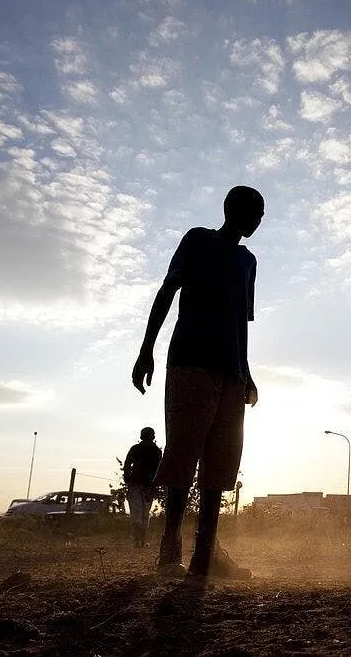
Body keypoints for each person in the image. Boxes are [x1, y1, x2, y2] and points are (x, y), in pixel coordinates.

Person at [131, 185, 264, 581]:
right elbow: (167, 291)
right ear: (231, 210)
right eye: (253, 211)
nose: (258, 220)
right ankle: (169, 551)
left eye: (261, 214)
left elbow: (239, 323)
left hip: (232, 374)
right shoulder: (198, 240)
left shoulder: (248, 261)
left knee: (220, 468)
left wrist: (247, 373)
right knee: (183, 456)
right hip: (190, 363)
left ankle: (206, 555)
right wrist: (146, 349)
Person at [123, 426, 163, 548]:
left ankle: (138, 540)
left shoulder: (136, 449)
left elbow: (127, 464)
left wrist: (127, 477)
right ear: (153, 437)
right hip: (147, 486)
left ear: (141, 436)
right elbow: (159, 469)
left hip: (137, 485)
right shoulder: (156, 451)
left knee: (137, 513)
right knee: (144, 513)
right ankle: (141, 540)